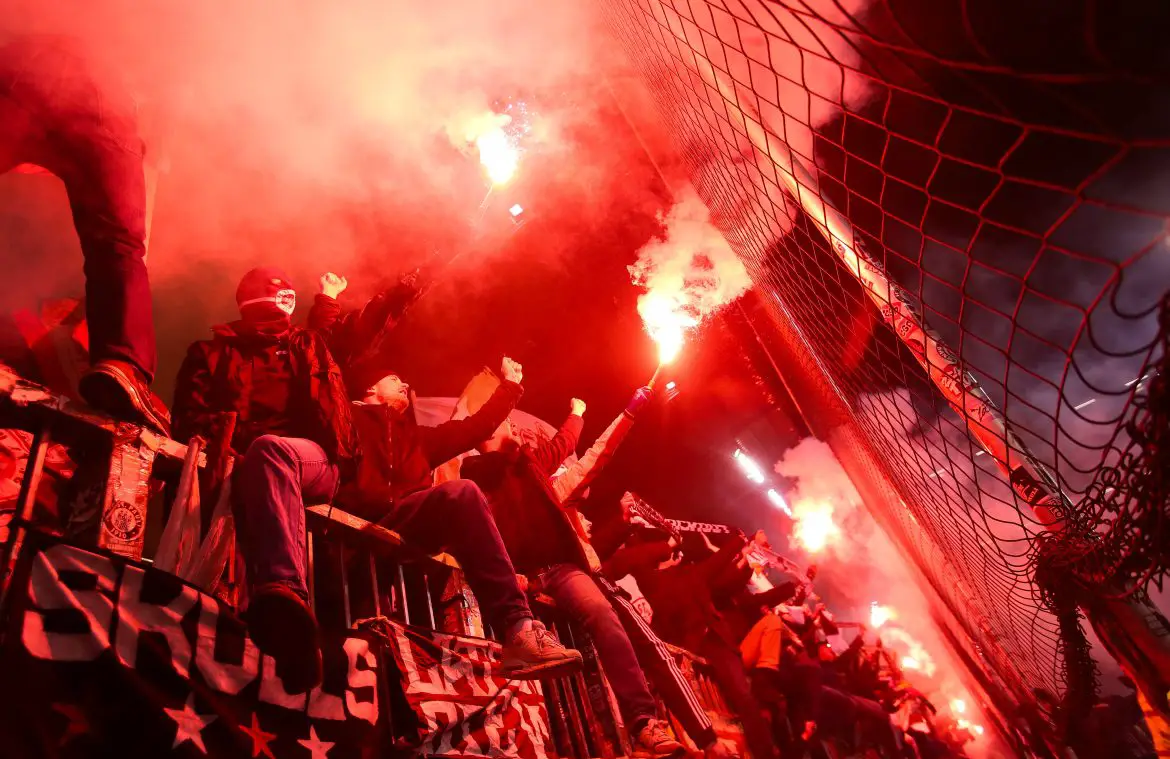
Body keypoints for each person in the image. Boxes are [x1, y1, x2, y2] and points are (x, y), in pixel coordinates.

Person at [460, 385, 726, 758]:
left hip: (562, 570)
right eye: (504, 424)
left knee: (602, 613)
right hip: (520, 577)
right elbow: (477, 533)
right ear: (487, 433)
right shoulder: (474, 479)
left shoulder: (535, 467)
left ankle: (642, 722)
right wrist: (508, 575)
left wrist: (582, 414)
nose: (513, 429)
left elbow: (575, 447)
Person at [172, 267, 359, 693]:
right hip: (250, 464)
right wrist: (231, 440)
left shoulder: (307, 344)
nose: (283, 305)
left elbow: (356, 329)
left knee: (271, 451)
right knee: (265, 457)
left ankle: (284, 589)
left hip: (314, 460)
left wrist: (413, 279)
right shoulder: (210, 352)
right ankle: (293, 648)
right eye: (276, 295)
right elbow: (187, 417)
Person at [338, 358, 583, 682]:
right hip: (348, 530)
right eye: (395, 379)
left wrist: (510, 385)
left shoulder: (418, 438)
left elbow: (476, 427)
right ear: (371, 388)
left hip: (401, 522)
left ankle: (519, 630)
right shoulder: (344, 419)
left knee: (463, 493)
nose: (405, 384)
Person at [0, 35, 168, 433]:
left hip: (12, 67)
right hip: (94, 85)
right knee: (119, 241)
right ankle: (123, 362)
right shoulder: (124, 94)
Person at [626, 533, 781, 759]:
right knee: (743, 696)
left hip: (718, 643)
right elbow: (715, 564)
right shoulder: (653, 581)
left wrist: (744, 548)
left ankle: (765, 750)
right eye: (672, 553)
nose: (677, 555)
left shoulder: (690, 572)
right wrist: (741, 542)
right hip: (698, 647)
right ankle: (766, 752)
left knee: (744, 697)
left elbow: (721, 568)